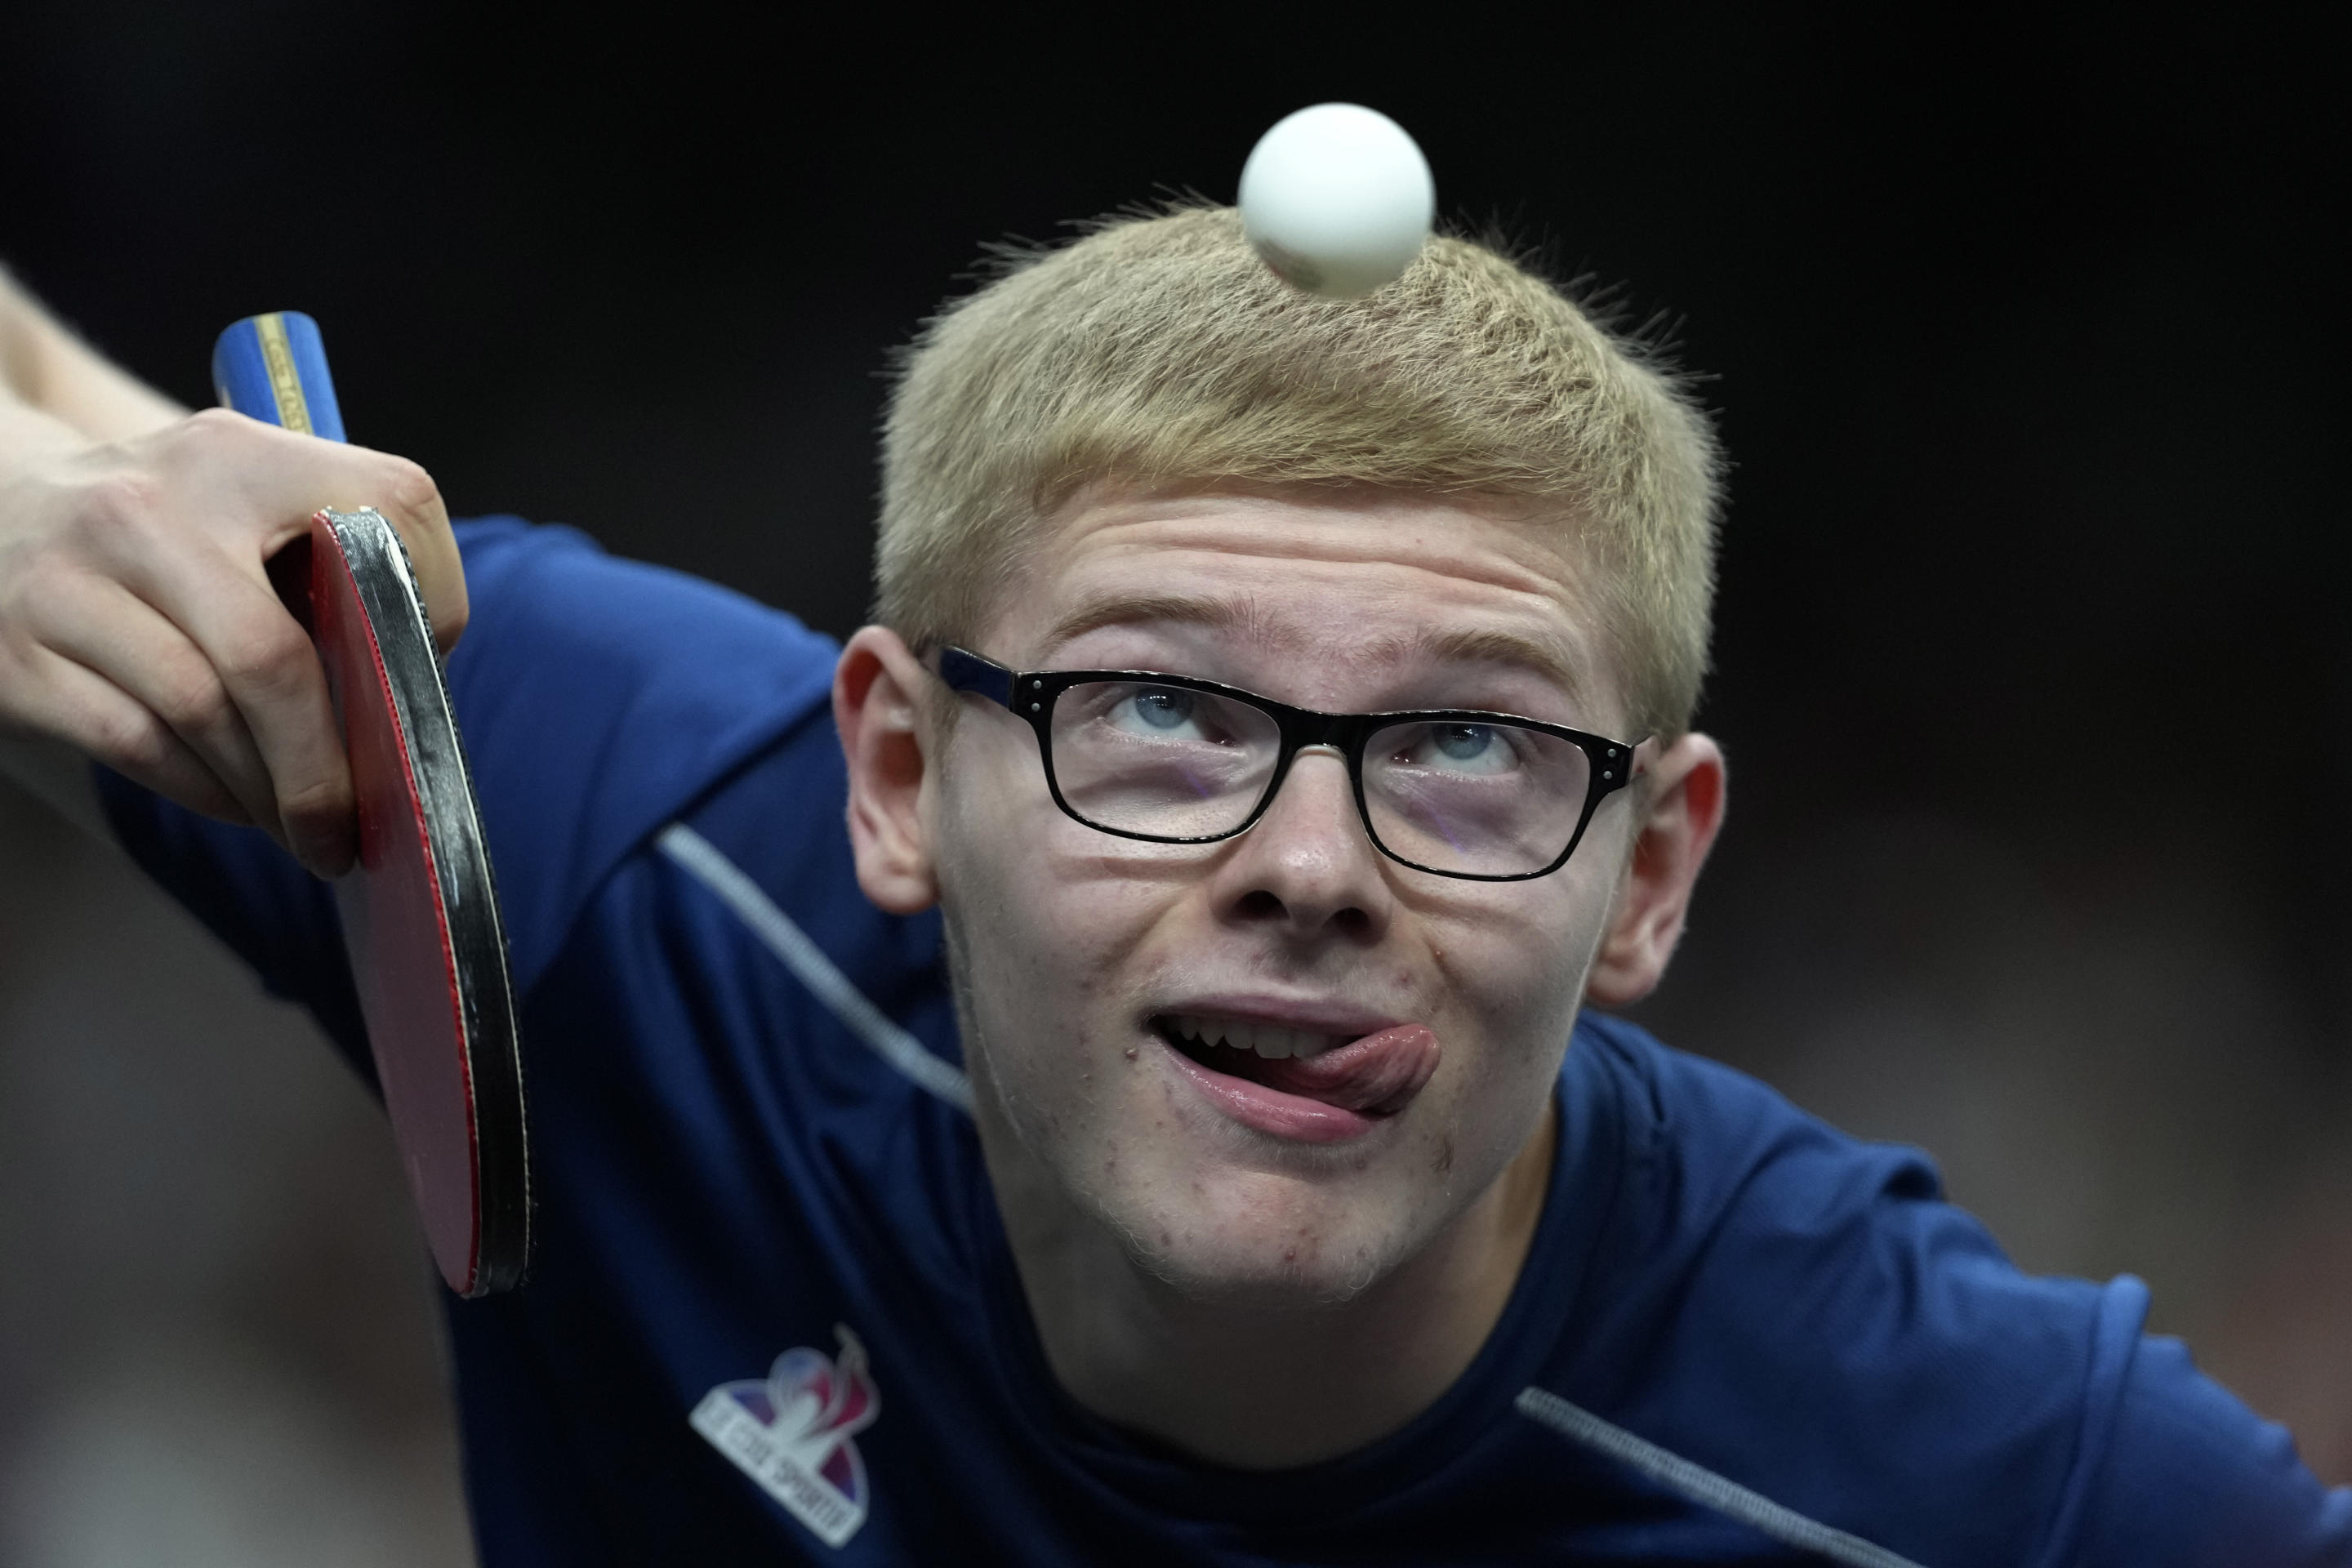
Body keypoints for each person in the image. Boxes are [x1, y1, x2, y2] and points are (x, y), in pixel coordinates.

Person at [0, 207, 2345, 1566]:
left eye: (1466, 744)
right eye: (1162, 714)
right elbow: (72, 430)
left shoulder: (1987, 1476)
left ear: (1651, 873)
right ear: (897, 773)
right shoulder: (631, 848)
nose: (1307, 869)